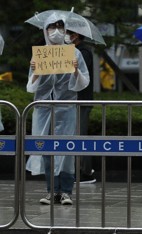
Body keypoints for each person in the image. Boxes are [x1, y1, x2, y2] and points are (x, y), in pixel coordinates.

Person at [25, 16, 90, 205]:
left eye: (60, 27)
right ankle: (51, 191)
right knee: (45, 148)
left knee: (66, 148)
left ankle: (66, 191)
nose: (56, 31)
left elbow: (83, 82)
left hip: (66, 106)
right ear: (45, 30)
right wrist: (36, 71)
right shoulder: (40, 54)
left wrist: (76, 70)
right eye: (52, 27)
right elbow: (30, 86)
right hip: (43, 107)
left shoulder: (74, 53)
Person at [65, 30, 96, 184]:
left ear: (75, 35)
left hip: (81, 100)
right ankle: (77, 169)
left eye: (65, 32)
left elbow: (79, 75)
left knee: (80, 135)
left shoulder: (84, 52)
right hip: (72, 100)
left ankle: (86, 172)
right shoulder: (70, 51)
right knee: (74, 134)